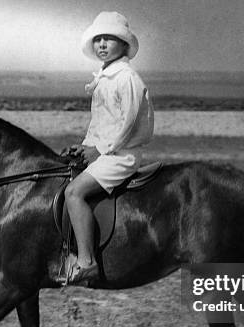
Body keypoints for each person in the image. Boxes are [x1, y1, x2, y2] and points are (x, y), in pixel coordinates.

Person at [64, 11, 154, 284]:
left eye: (109, 39)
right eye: (98, 39)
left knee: (74, 192)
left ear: (124, 45)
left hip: (121, 154)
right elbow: (100, 122)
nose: (102, 44)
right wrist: (84, 147)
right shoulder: (106, 76)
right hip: (106, 150)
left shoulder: (126, 78)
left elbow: (125, 124)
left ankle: (86, 260)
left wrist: (99, 151)